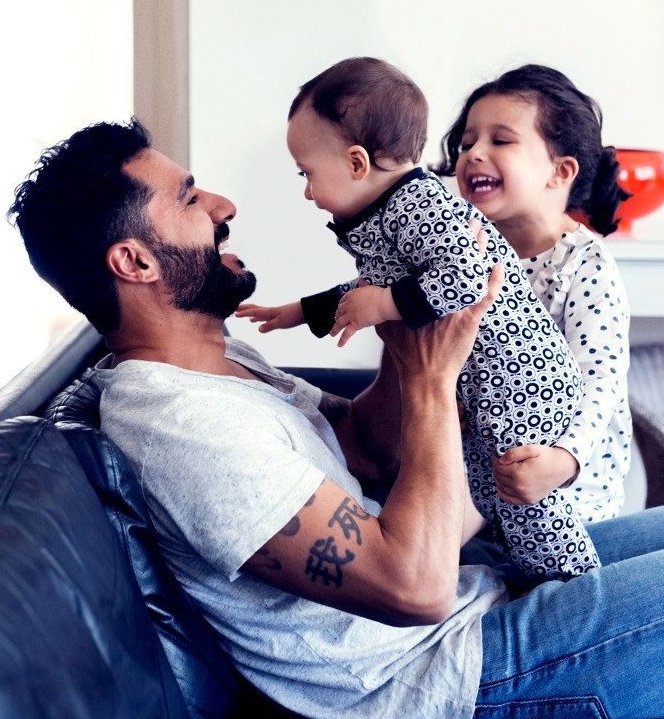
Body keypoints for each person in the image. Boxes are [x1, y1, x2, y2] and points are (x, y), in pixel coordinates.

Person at [8, 118, 664, 719]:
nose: (224, 206)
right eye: (191, 200)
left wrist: (413, 319)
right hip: (442, 679)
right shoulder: (176, 421)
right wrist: (434, 384)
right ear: (135, 260)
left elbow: (361, 447)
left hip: (482, 598)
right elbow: (414, 586)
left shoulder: (223, 359)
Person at [235, 56, 599, 582]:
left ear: (358, 163)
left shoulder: (418, 204)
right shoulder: (389, 209)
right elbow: (377, 286)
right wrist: (299, 312)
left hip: (522, 380)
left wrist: (382, 306)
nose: (308, 192)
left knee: (525, 502)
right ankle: (527, 577)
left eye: (308, 173)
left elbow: (466, 278)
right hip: (486, 387)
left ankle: (574, 585)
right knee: (486, 494)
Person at [435, 64, 633, 522]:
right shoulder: (461, 250)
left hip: (568, 503)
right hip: (473, 482)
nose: (474, 153)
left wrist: (564, 460)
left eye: (500, 141)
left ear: (559, 171)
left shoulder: (584, 264)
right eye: (467, 143)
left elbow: (600, 381)